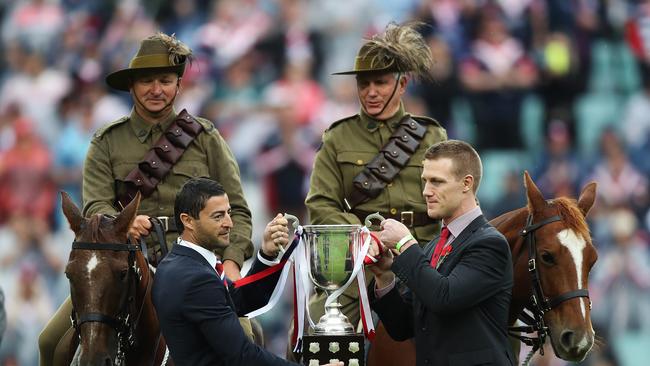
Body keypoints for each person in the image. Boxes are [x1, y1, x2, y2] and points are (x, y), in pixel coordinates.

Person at [38, 32, 254, 365]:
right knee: (50, 343)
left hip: (196, 260)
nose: (157, 89)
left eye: (166, 80)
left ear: (178, 85)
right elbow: (95, 206)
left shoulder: (206, 138)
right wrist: (121, 224)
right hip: (122, 263)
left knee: (246, 336)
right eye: (147, 80)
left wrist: (232, 263)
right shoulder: (106, 141)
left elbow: (237, 208)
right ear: (132, 86)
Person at [293, 22, 447, 356]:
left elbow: (450, 201)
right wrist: (364, 237)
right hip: (359, 260)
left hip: (422, 255)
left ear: (402, 84)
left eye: (381, 82)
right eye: (364, 84)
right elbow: (321, 203)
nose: (371, 92)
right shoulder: (337, 137)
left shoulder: (433, 137)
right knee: (317, 331)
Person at [153, 177, 341, 366]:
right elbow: (243, 356)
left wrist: (267, 254)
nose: (229, 223)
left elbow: (238, 301)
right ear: (188, 221)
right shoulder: (197, 278)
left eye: (229, 213)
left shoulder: (174, 264)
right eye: (218, 216)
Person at [367, 140, 515, 365]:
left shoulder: (490, 244)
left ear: (466, 183)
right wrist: (384, 276)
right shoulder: (432, 246)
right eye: (425, 181)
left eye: (437, 182)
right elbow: (402, 327)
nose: (426, 191)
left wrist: (405, 244)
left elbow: (443, 297)